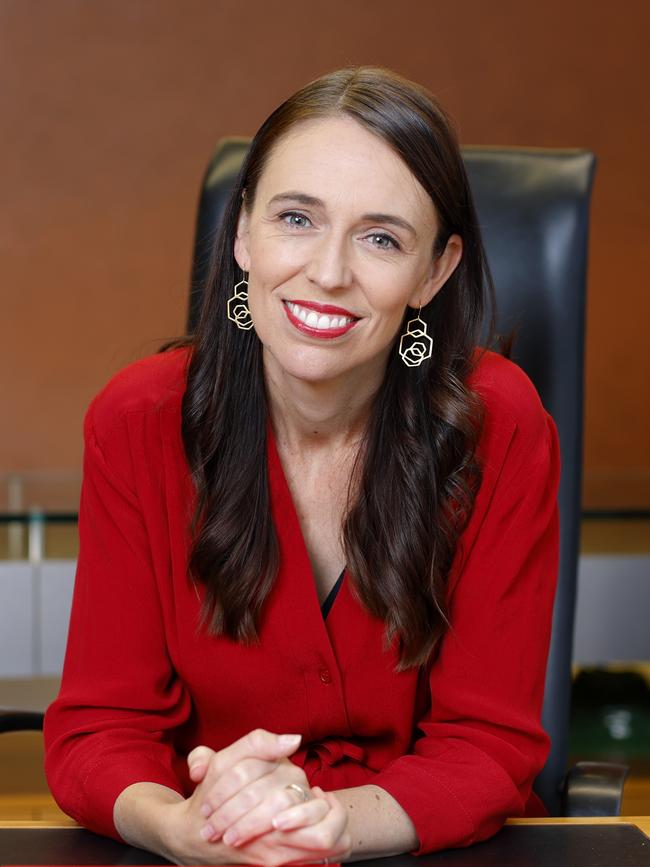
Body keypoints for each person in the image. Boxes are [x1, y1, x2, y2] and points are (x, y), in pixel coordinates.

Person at [44, 67, 561, 865]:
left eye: (381, 237)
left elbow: (488, 745)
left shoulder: (503, 425)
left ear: (435, 270)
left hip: (425, 852)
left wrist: (325, 823)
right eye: (296, 218)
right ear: (244, 230)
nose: (328, 271)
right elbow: (99, 733)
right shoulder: (138, 421)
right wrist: (182, 826)